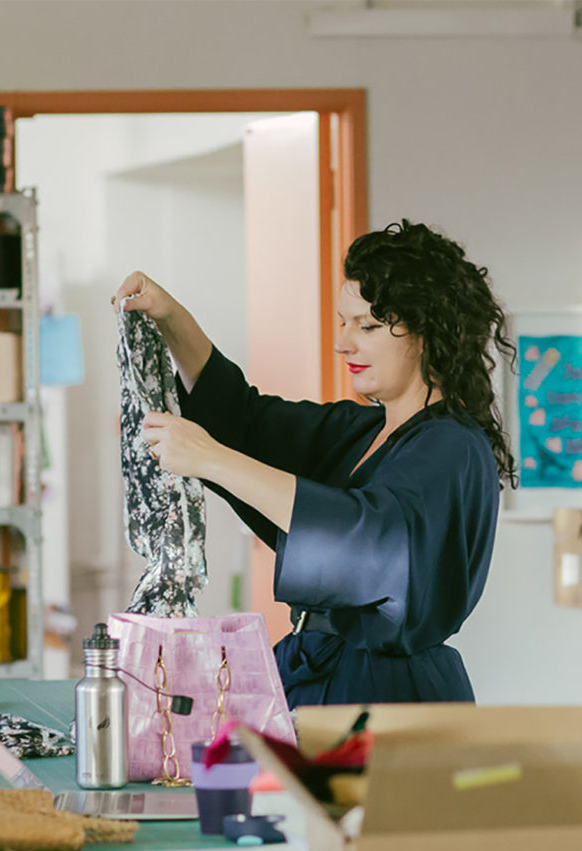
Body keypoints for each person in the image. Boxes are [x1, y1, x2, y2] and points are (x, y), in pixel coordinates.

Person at [113, 220, 517, 707]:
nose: (343, 343)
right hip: (319, 675)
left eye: (366, 326)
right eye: (343, 323)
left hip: (387, 698)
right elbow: (242, 420)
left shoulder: (453, 448)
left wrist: (210, 459)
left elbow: (368, 539)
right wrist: (171, 317)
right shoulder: (362, 430)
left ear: (428, 332)